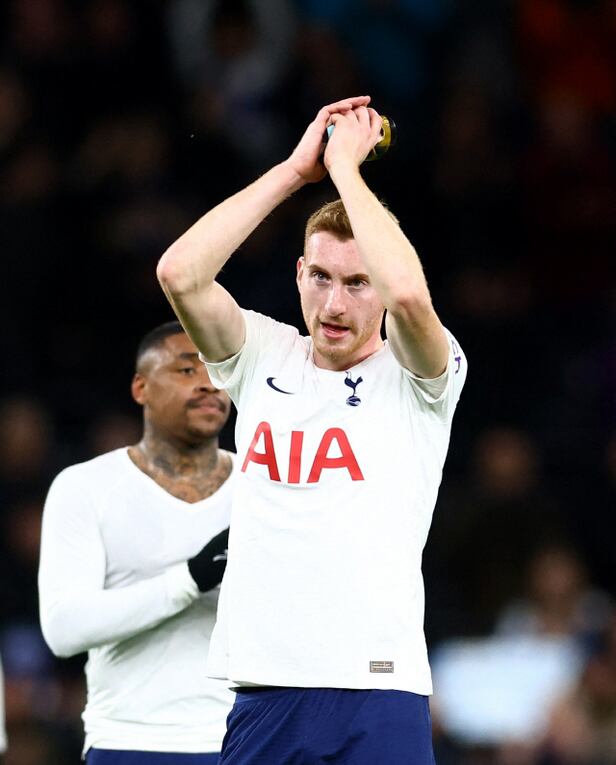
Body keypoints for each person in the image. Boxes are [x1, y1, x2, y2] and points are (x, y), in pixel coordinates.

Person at [157, 96, 468, 764]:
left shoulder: (422, 375)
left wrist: (346, 170)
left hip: (379, 689)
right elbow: (180, 273)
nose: (334, 303)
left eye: (358, 282)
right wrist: (297, 172)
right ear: (298, 273)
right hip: (266, 691)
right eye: (321, 277)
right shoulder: (262, 354)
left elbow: (410, 297)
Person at [38, 321, 237, 765]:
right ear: (140, 387)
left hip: (244, 736)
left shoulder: (263, 488)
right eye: (187, 370)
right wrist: (189, 580)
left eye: (218, 371)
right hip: (130, 738)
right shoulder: (85, 486)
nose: (209, 384)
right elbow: (63, 629)